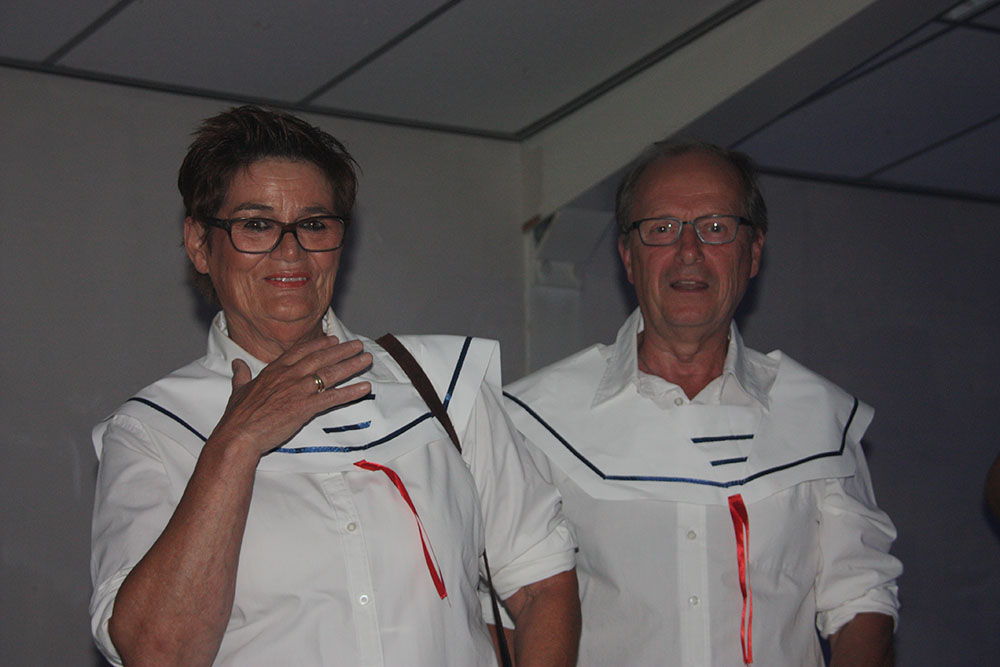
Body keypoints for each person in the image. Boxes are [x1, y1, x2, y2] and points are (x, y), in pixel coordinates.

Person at [90, 105, 579, 666]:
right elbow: (158, 652)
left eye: (314, 224)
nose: (291, 251)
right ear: (200, 244)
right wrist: (236, 442)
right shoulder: (153, 430)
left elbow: (543, 587)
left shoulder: (440, 386)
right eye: (256, 225)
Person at [503, 139, 901, 665]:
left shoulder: (819, 416)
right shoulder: (534, 419)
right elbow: (502, 615)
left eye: (715, 227)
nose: (688, 250)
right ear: (628, 256)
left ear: (753, 252)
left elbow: (861, 598)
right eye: (661, 228)